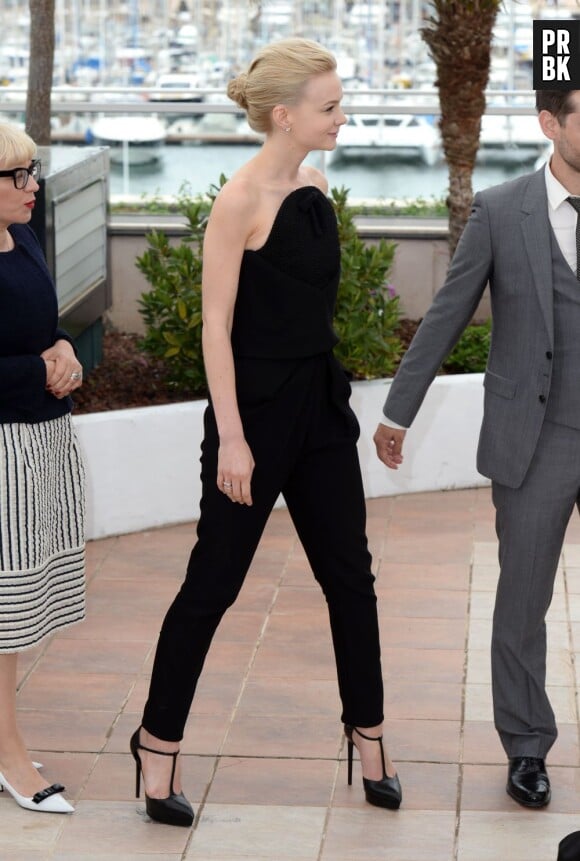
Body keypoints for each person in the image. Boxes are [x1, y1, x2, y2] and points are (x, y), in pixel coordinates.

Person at [129, 37, 402, 827]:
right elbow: (215, 328)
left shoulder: (315, 186)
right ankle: (157, 742)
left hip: (318, 411)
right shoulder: (238, 201)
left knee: (350, 576)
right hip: (252, 417)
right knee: (212, 586)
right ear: (284, 116)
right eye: (330, 107)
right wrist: (235, 440)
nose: (342, 118)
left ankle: (370, 732)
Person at [374, 89, 580, 810]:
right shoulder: (500, 209)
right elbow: (447, 312)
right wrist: (399, 409)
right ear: (551, 125)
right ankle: (527, 745)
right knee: (521, 601)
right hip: (536, 439)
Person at [0, 122, 86, 814]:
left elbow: (38, 324)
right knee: (3, 615)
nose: (32, 187)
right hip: (2, 451)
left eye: (33, 172)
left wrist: (63, 349)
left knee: (17, 611)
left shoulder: (23, 236)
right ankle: (10, 756)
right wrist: (39, 367)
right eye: (18, 177)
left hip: (38, 442)